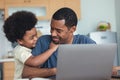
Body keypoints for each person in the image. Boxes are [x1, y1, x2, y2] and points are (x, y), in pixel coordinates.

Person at [22, 7, 96, 79]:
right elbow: (26, 73)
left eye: (58, 31)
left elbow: (100, 69)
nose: (53, 34)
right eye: (52, 28)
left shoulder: (85, 42)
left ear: (72, 29)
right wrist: (55, 71)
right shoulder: (43, 41)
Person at [3, 11, 58, 79]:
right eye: (32, 38)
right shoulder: (20, 50)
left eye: (36, 35)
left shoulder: (31, 46)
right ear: (20, 41)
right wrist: (51, 49)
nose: (36, 39)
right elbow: (34, 62)